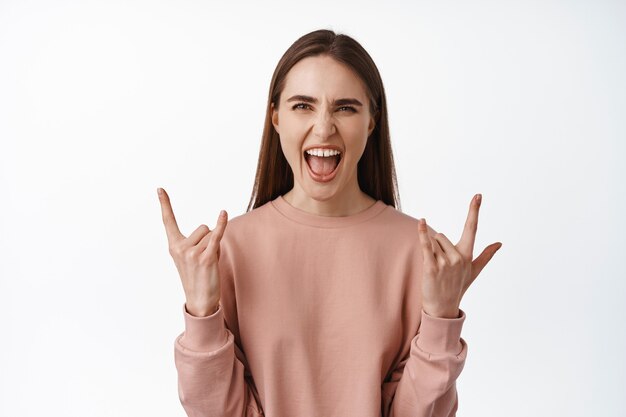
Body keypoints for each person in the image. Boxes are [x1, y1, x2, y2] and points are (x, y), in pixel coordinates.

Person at [158, 29, 502, 417]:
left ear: (372, 122)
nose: (323, 128)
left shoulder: (421, 254)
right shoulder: (231, 250)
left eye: (345, 108)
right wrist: (202, 313)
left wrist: (441, 320)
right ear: (275, 117)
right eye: (303, 106)